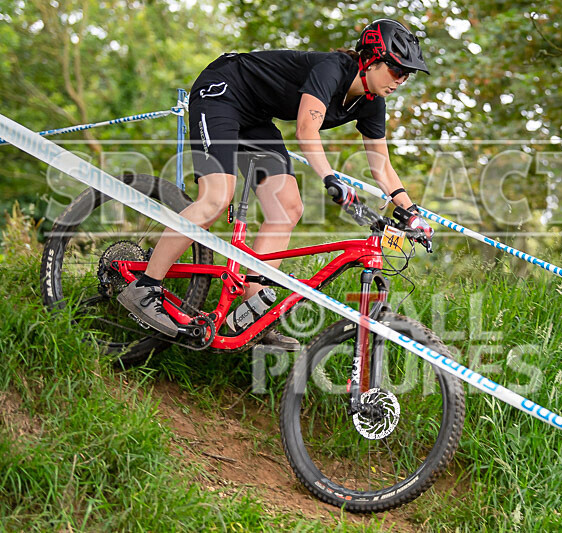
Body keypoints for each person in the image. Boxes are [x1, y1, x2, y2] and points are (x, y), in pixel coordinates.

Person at [117, 19, 434, 349]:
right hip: (223, 91)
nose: (401, 80)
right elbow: (306, 129)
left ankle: (250, 311)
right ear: (370, 59)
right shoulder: (332, 69)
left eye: (407, 74)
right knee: (217, 197)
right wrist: (331, 179)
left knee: (287, 207)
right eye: (397, 70)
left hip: (256, 116)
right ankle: (146, 286)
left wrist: (412, 214)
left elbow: (382, 166)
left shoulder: (372, 102)